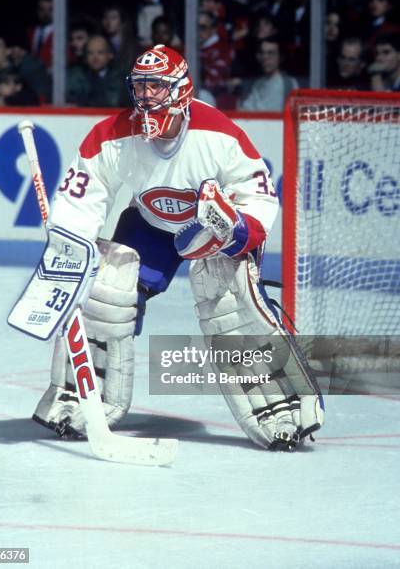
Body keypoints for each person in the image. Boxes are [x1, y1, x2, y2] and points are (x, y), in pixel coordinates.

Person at [32, 44, 324, 452]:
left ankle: (283, 407)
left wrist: (239, 232)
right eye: (141, 85)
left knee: (232, 313)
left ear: (182, 90)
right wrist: (69, 239)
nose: (146, 95)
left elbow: (258, 194)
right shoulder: (113, 134)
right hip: (149, 224)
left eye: (157, 85)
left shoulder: (218, 134)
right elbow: (83, 193)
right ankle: (79, 401)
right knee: (106, 291)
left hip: (210, 231)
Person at [66, 34, 130, 108]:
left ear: (110, 54)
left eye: (100, 52)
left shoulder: (121, 79)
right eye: (90, 53)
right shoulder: (76, 76)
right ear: (85, 57)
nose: (95, 57)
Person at [238, 36, 298, 111]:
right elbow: (247, 108)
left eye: (270, 53)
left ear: (280, 57)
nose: (265, 57)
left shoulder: (288, 83)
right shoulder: (258, 83)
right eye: (262, 53)